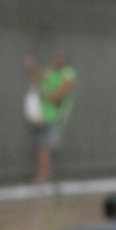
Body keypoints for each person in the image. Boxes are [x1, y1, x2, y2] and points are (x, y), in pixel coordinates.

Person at [33, 52, 76, 185]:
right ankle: (45, 174)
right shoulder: (52, 71)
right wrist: (33, 67)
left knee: (45, 146)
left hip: (57, 116)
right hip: (44, 116)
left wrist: (43, 95)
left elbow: (59, 95)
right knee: (42, 147)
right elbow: (39, 76)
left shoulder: (68, 73)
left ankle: (44, 176)